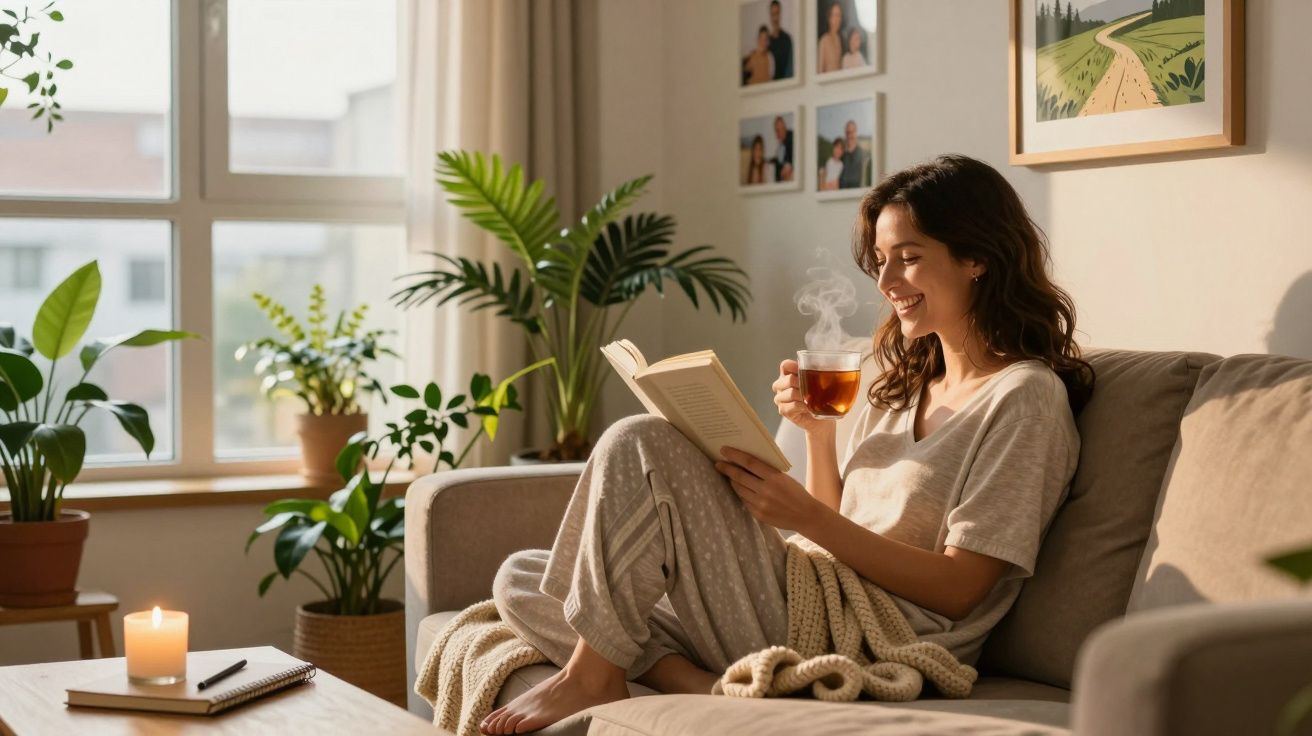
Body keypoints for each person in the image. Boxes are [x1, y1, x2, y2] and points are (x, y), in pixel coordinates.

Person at [477, 154, 1094, 735]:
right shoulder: (907, 380)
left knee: (640, 441)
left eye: (906, 257)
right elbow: (838, 520)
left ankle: (593, 676)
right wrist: (818, 438)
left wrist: (804, 516)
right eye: (878, 259)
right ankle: (700, 684)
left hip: (875, 633)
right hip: (811, 591)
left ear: (976, 258)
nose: (884, 280)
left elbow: (963, 589)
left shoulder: (1024, 398)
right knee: (524, 578)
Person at [838, 119, 871, 189]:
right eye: (847, 132)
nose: (849, 135)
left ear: (856, 133)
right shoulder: (841, 156)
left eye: (852, 132)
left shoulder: (864, 155)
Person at [767, 0, 793, 80]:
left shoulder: (787, 39)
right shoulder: (767, 42)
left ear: (780, 14)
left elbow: (790, 67)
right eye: (773, 14)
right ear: (770, 16)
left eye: (777, 14)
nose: (775, 18)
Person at [817, 0, 843, 73]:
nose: (836, 19)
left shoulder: (840, 39)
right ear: (829, 18)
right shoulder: (824, 40)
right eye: (834, 15)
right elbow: (819, 70)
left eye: (838, 15)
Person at [771, 116, 794, 182]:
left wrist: (788, 165)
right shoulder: (781, 145)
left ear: (784, 128)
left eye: (780, 129)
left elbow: (789, 160)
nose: (778, 134)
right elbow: (779, 160)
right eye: (777, 131)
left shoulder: (791, 137)